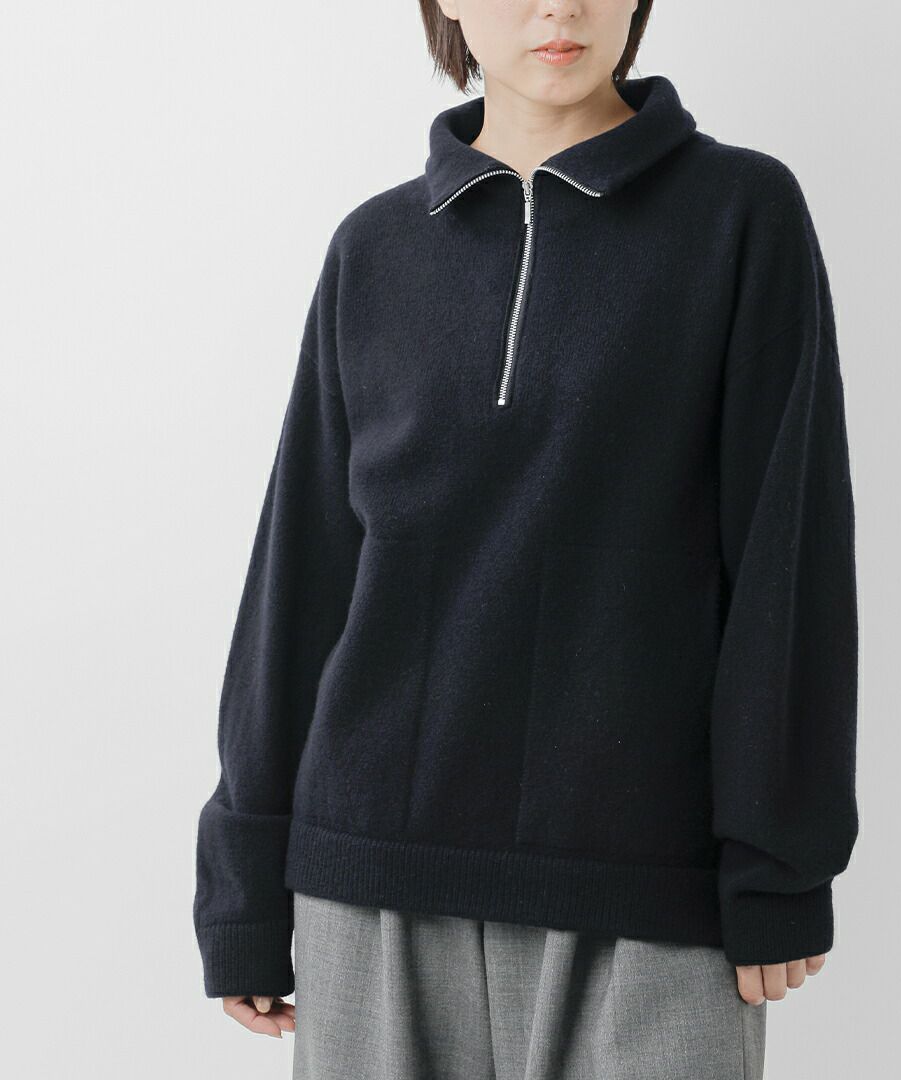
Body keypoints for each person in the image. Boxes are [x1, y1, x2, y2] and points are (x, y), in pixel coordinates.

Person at [192, 2, 859, 1077]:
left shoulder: (740, 214)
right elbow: (301, 574)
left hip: (651, 885)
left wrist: (779, 856)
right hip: (369, 876)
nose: (560, 7)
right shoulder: (374, 248)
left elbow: (789, 550)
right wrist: (242, 882)